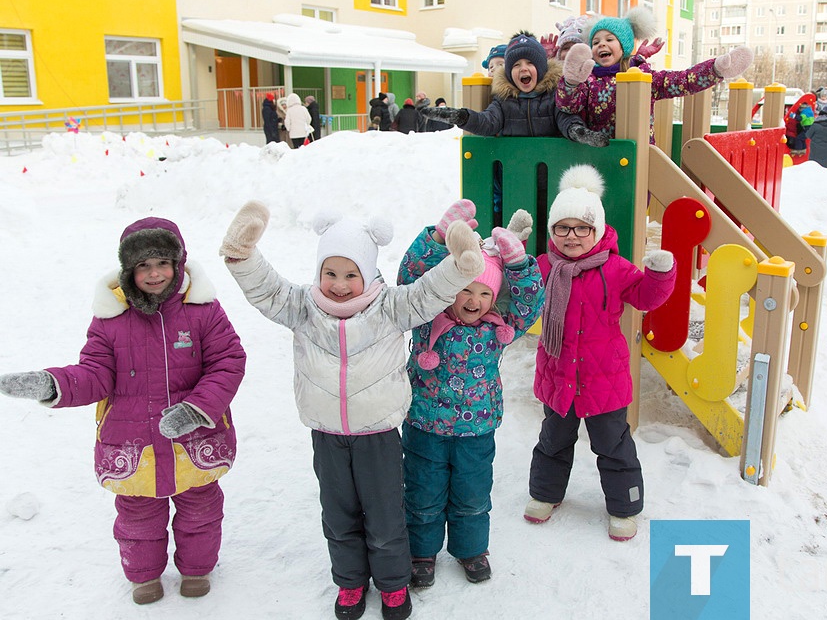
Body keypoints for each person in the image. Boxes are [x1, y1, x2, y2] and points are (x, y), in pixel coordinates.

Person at [220, 201, 487, 620]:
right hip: (327, 434)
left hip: (377, 435)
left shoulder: (390, 307)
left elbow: (429, 292)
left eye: (350, 275)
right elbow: (267, 290)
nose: (340, 285)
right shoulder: (303, 306)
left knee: (384, 515)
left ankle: (394, 585)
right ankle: (349, 583)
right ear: (319, 273)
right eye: (331, 273)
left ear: (367, 273)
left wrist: (461, 266)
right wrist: (242, 256)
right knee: (338, 514)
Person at [0, 218, 246, 605]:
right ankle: (144, 575)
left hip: (195, 437)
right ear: (128, 270)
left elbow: (228, 361)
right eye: (143, 266)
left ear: (179, 263)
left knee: (201, 508)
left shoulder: (202, 310)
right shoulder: (110, 318)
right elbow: (95, 372)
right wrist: (53, 384)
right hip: (133, 440)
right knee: (137, 516)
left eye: (162, 263)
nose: (154, 273)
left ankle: (197, 569)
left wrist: (197, 409)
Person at [523, 165, 676, 542]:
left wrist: (660, 275)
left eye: (581, 228)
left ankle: (625, 507)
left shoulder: (615, 268)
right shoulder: (545, 267)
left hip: (603, 377)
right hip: (559, 375)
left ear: (597, 230)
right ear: (551, 231)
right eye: (562, 227)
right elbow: (518, 292)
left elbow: (645, 297)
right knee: (553, 440)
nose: (571, 236)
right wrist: (507, 258)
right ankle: (545, 494)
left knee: (612, 444)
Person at [397, 202, 544, 588]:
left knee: (473, 495)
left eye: (483, 292)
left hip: (476, 430)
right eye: (465, 289)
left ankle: (472, 550)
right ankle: (422, 553)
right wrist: (437, 238)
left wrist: (517, 266)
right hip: (425, 424)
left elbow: (531, 302)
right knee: (422, 493)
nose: (474, 300)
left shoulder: (500, 327)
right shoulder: (426, 315)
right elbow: (409, 278)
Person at [556, 7, 752, 144]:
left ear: (624, 47)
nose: (601, 45)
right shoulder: (589, 80)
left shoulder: (644, 76)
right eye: (596, 42)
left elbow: (682, 81)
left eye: (609, 39)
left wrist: (715, 69)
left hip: (637, 157)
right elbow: (568, 105)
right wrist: (571, 82)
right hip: (597, 155)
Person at [421, 32, 609, 147]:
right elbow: (487, 122)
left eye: (530, 63)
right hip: (516, 174)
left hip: (551, 173)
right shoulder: (504, 102)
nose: (523, 68)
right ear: (510, 72)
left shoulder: (553, 97)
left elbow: (566, 119)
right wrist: (459, 117)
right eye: (516, 65)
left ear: (541, 68)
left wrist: (579, 132)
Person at [804, 88, 827, 168]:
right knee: (825, 168)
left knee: (815, 168)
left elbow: (808, 135)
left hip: (816, 153)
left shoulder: (815, 125)